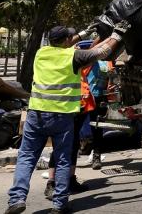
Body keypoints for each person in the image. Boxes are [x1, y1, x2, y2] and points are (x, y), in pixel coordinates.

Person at [5, 22, 128, 214]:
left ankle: (17, 199)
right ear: (67, 41)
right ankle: (59, 204)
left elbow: (65, 43)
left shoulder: (41, 53)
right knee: (63, 159)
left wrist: (83, 33)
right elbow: (102, 52)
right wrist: (118, 34)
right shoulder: (74, 56)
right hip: (61, 118)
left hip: (35, 115)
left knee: (26, 157)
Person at [43, 54, 114, 199]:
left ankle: (70, 179)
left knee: (74, 143)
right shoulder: (67, 59)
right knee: (61, 143)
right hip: (68, 107)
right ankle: (52, 183)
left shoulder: (90, 62)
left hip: (82, 105)